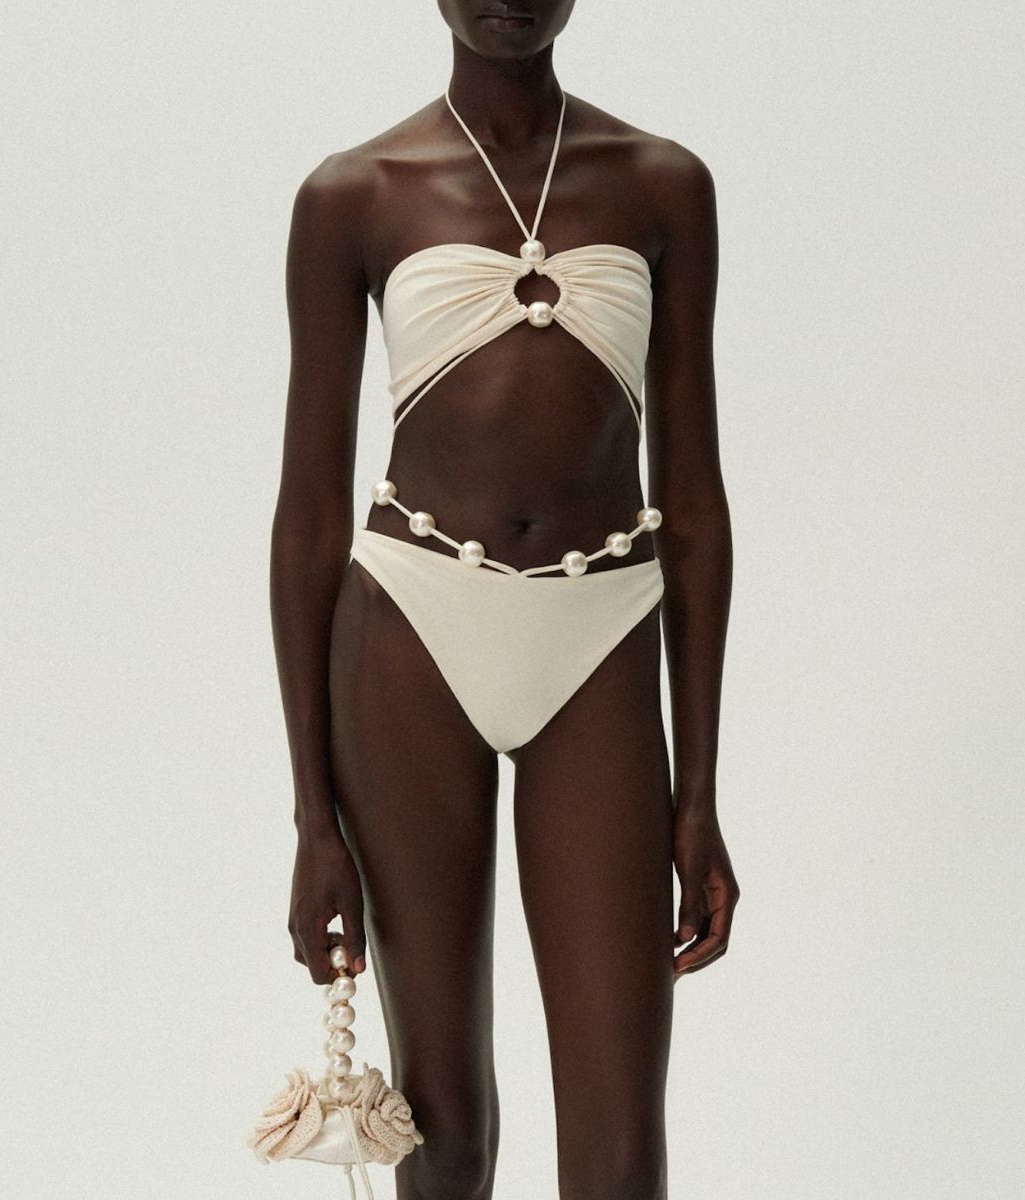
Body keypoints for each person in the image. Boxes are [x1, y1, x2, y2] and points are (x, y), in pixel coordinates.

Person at [269, 3, 737, 1196]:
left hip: (602, 634)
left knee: (620, 1143)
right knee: (444, 1126)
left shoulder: (663, 186)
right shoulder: (354, 195)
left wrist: (697, 796)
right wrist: (312, 819)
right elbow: (309, 519)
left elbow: (692, 501)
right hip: (409, 635)